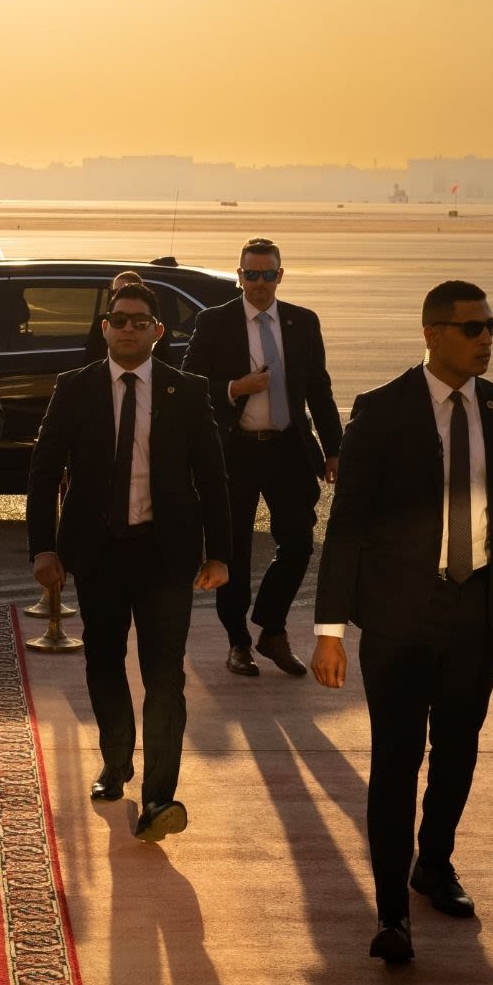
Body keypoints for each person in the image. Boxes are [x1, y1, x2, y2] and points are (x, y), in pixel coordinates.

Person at [312, 281, 493, 963]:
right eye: (472, 328)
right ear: (432, 333)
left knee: (458, 751)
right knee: (395, 759)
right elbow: (347, 523)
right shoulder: (380, 411)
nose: (486, 339)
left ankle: (433, 863)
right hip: (398, 619)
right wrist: (329, 629)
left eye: (491, 326)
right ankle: (390, 915)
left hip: (478, 615)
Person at [28, 282, 229, 842]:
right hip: (98, 552)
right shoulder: (76, 388)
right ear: (105, 328)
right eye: (119, 319)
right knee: (104, 663)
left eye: (140, 321)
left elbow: (212, 477)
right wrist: (44, 548)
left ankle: (161, 795)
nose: (128, 328)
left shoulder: (186, 390)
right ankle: (116, 763)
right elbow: (43, 473)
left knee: (165, 676)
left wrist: (221, 554)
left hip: (166, 554)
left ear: (158, 331)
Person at [180, 238, 342, 680]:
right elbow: (189, 386)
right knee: (231, 553)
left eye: (267, 274)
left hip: (289, 449)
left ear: (280, 276)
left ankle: (271, 628)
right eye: (250, 274)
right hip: (235, 453)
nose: (258, 283)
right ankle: (238, 643)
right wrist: (236, 387)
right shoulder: (216, 322)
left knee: (299, 543)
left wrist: (334, 449)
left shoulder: (303, 322)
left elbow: (320, 391)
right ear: (239, 276)